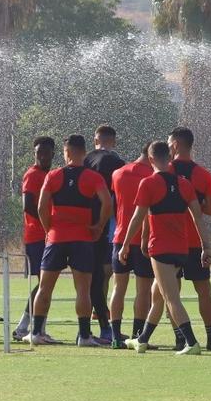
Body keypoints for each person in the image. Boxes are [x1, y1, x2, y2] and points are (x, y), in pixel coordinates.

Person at [120, 140, 208, 355]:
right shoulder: (184, 184)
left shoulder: (148, 183)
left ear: (150, 159)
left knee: (171, 298)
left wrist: (124, 245)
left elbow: (137, 217)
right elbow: (198, 218)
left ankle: (191, 342)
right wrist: (206, 246)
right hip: (181, 249)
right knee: (157, 295)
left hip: (160, 249)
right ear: (170, 157)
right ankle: (142, 339)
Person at [27, 135, 112, 347]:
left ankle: (36, 332)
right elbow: (107, 203)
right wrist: (99, 226)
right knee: (83, 289)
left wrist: (49, 230)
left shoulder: (54, 175)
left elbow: (40, 208)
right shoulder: (93, 177)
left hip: (56, 238)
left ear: (66, 152)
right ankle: (84, 336)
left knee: (45, 287)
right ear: (83, 152)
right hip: (82, 238)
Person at [169, 126, 211, 351]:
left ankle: (178, 338)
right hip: (195, 242)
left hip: (171, 242)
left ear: (175, 144)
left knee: (170, 292)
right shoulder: (202, 174)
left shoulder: (164, 171)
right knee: (203, 290)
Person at [83, 125, 127, 343]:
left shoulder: (85, 160)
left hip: (83, 222)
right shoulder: (118, 163)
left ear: (95, 140)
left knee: (89, 274)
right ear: (114, 141)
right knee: (105, 271)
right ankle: (102, 318)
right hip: (107, 221)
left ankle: (92, 315)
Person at [110, 144, 156, 348]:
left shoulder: (118, 173)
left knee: (118, 287)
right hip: (142, 239)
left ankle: (114, 336)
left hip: (119, 237)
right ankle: (137, 336)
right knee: (143, 290)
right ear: (151, 155)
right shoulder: (151, 176)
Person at [13, 137, 55, 341]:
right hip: (37, 236)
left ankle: (37, 328)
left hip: (48, 236)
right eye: (39, 153)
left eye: (46, 153)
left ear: (53, 154)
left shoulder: (52, 175)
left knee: (45, 284)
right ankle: (24, 326)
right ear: (34, 154)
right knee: (44, 284)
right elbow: (28, 205)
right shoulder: (32, 174)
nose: (43, 157)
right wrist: (47, 221)